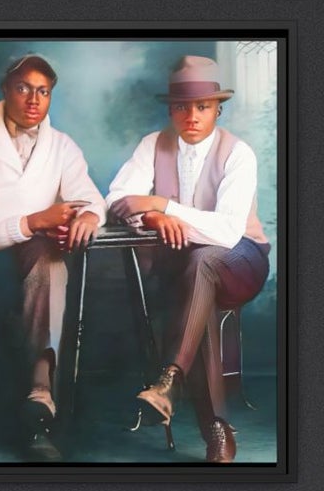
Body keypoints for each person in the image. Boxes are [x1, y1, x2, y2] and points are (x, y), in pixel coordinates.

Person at [105, 54, 269, 464]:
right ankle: (216, 430)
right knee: (199, 281)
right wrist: (153, 216)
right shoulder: (152, 145)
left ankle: (169, 380)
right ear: (170, 108)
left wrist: (163, 204)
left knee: (206, 263)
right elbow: (116, 200)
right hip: (186, 268)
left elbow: (227, 232)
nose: (191, 115)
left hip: (242, 261)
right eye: (181, 106)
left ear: (218, 107)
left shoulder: (239, 153)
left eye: (202, 106)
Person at [0, 53, 105, 460]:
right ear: (6, 90)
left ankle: (40, 393)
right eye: (24, 88)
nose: (34, 99)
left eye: (44, 91)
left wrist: (89, 213)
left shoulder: (62, 146)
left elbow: (89, 196)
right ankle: (37, 396)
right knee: (44, 254)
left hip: (39, 255)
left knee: (50, 258)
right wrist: (37, 219)